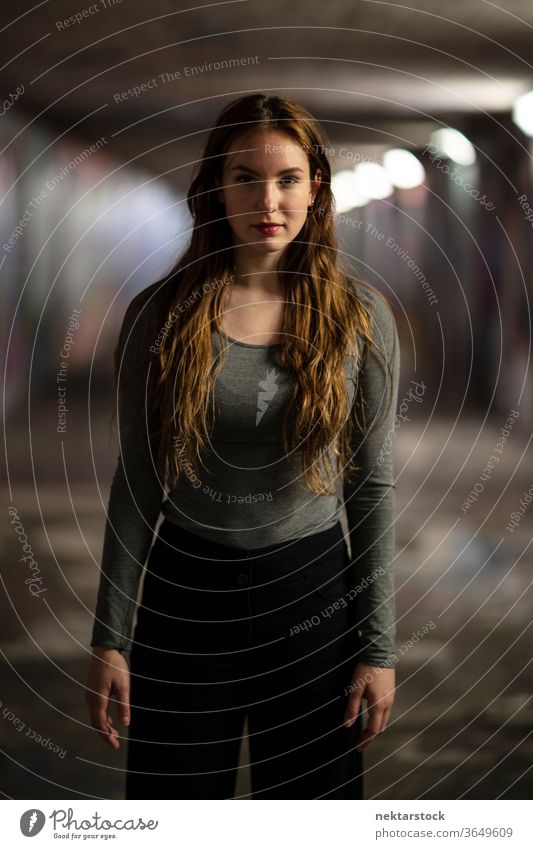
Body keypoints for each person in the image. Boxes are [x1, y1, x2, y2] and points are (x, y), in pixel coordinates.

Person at [85, 92, 400, 800]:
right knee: (174, 812)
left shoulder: (360, 317)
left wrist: (377, 648)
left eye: (287, 177)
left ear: (315, 187)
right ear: (214, 187)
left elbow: (370, 486)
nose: (268, 198)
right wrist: (110, 637)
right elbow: (137, 479)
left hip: (312, 592)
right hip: (184, 595)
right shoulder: (159, 315)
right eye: (244, 176)